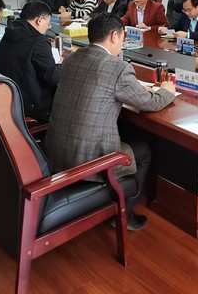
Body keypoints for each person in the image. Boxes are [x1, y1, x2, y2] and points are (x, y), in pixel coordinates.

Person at [45, 13, 176, 231]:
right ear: (115, 36)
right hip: (88, 160)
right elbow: (150, 103)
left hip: (55, 152)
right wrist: (167, 90)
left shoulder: (72, 58)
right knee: (143, 150)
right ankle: (124, 212)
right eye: (123, 38)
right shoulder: (117, 67)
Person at [0, 1, 61, 123]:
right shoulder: (38, 41)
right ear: (40, 20)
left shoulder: (9, 32)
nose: (47, 29)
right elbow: (53, 77)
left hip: (9, 100)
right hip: (32, 107)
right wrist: (62, 67)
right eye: (48, 24)